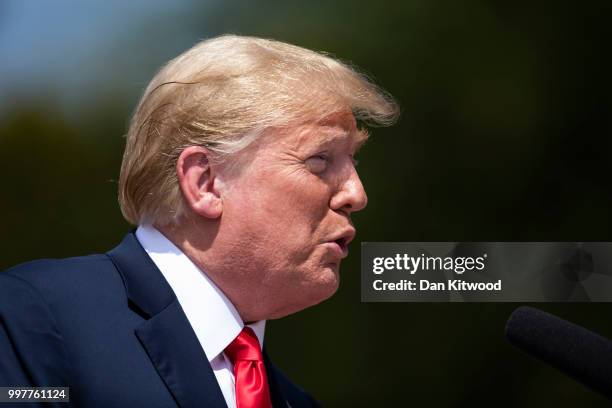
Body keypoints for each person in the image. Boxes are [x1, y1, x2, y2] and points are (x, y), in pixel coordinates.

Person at [0, 35, 398, 407]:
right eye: (320, 160)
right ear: (205, 182)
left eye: (352, 161)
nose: (356, 194)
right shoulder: (33, 318)